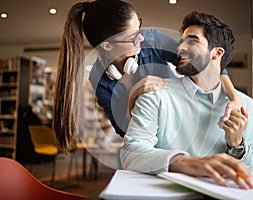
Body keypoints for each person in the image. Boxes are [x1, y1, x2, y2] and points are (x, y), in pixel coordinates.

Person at [53, 0, 241, 152]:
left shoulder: (152, 38)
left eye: (139, 28)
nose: (141, 38)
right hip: (148, 148)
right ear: (107, 46)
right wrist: (133, 97)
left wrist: (234, 96)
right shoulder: (99, 78)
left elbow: (201, 61)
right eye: (132, 36)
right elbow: (124, 131)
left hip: (181, 129)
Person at [120, 11, 253, 189]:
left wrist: (237, 146)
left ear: (216, 53)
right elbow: (131, 153)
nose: (179, 49)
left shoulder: (244, 104)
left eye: (192, 41)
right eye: (181, 42)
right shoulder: (156, 94)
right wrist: (186, 163)